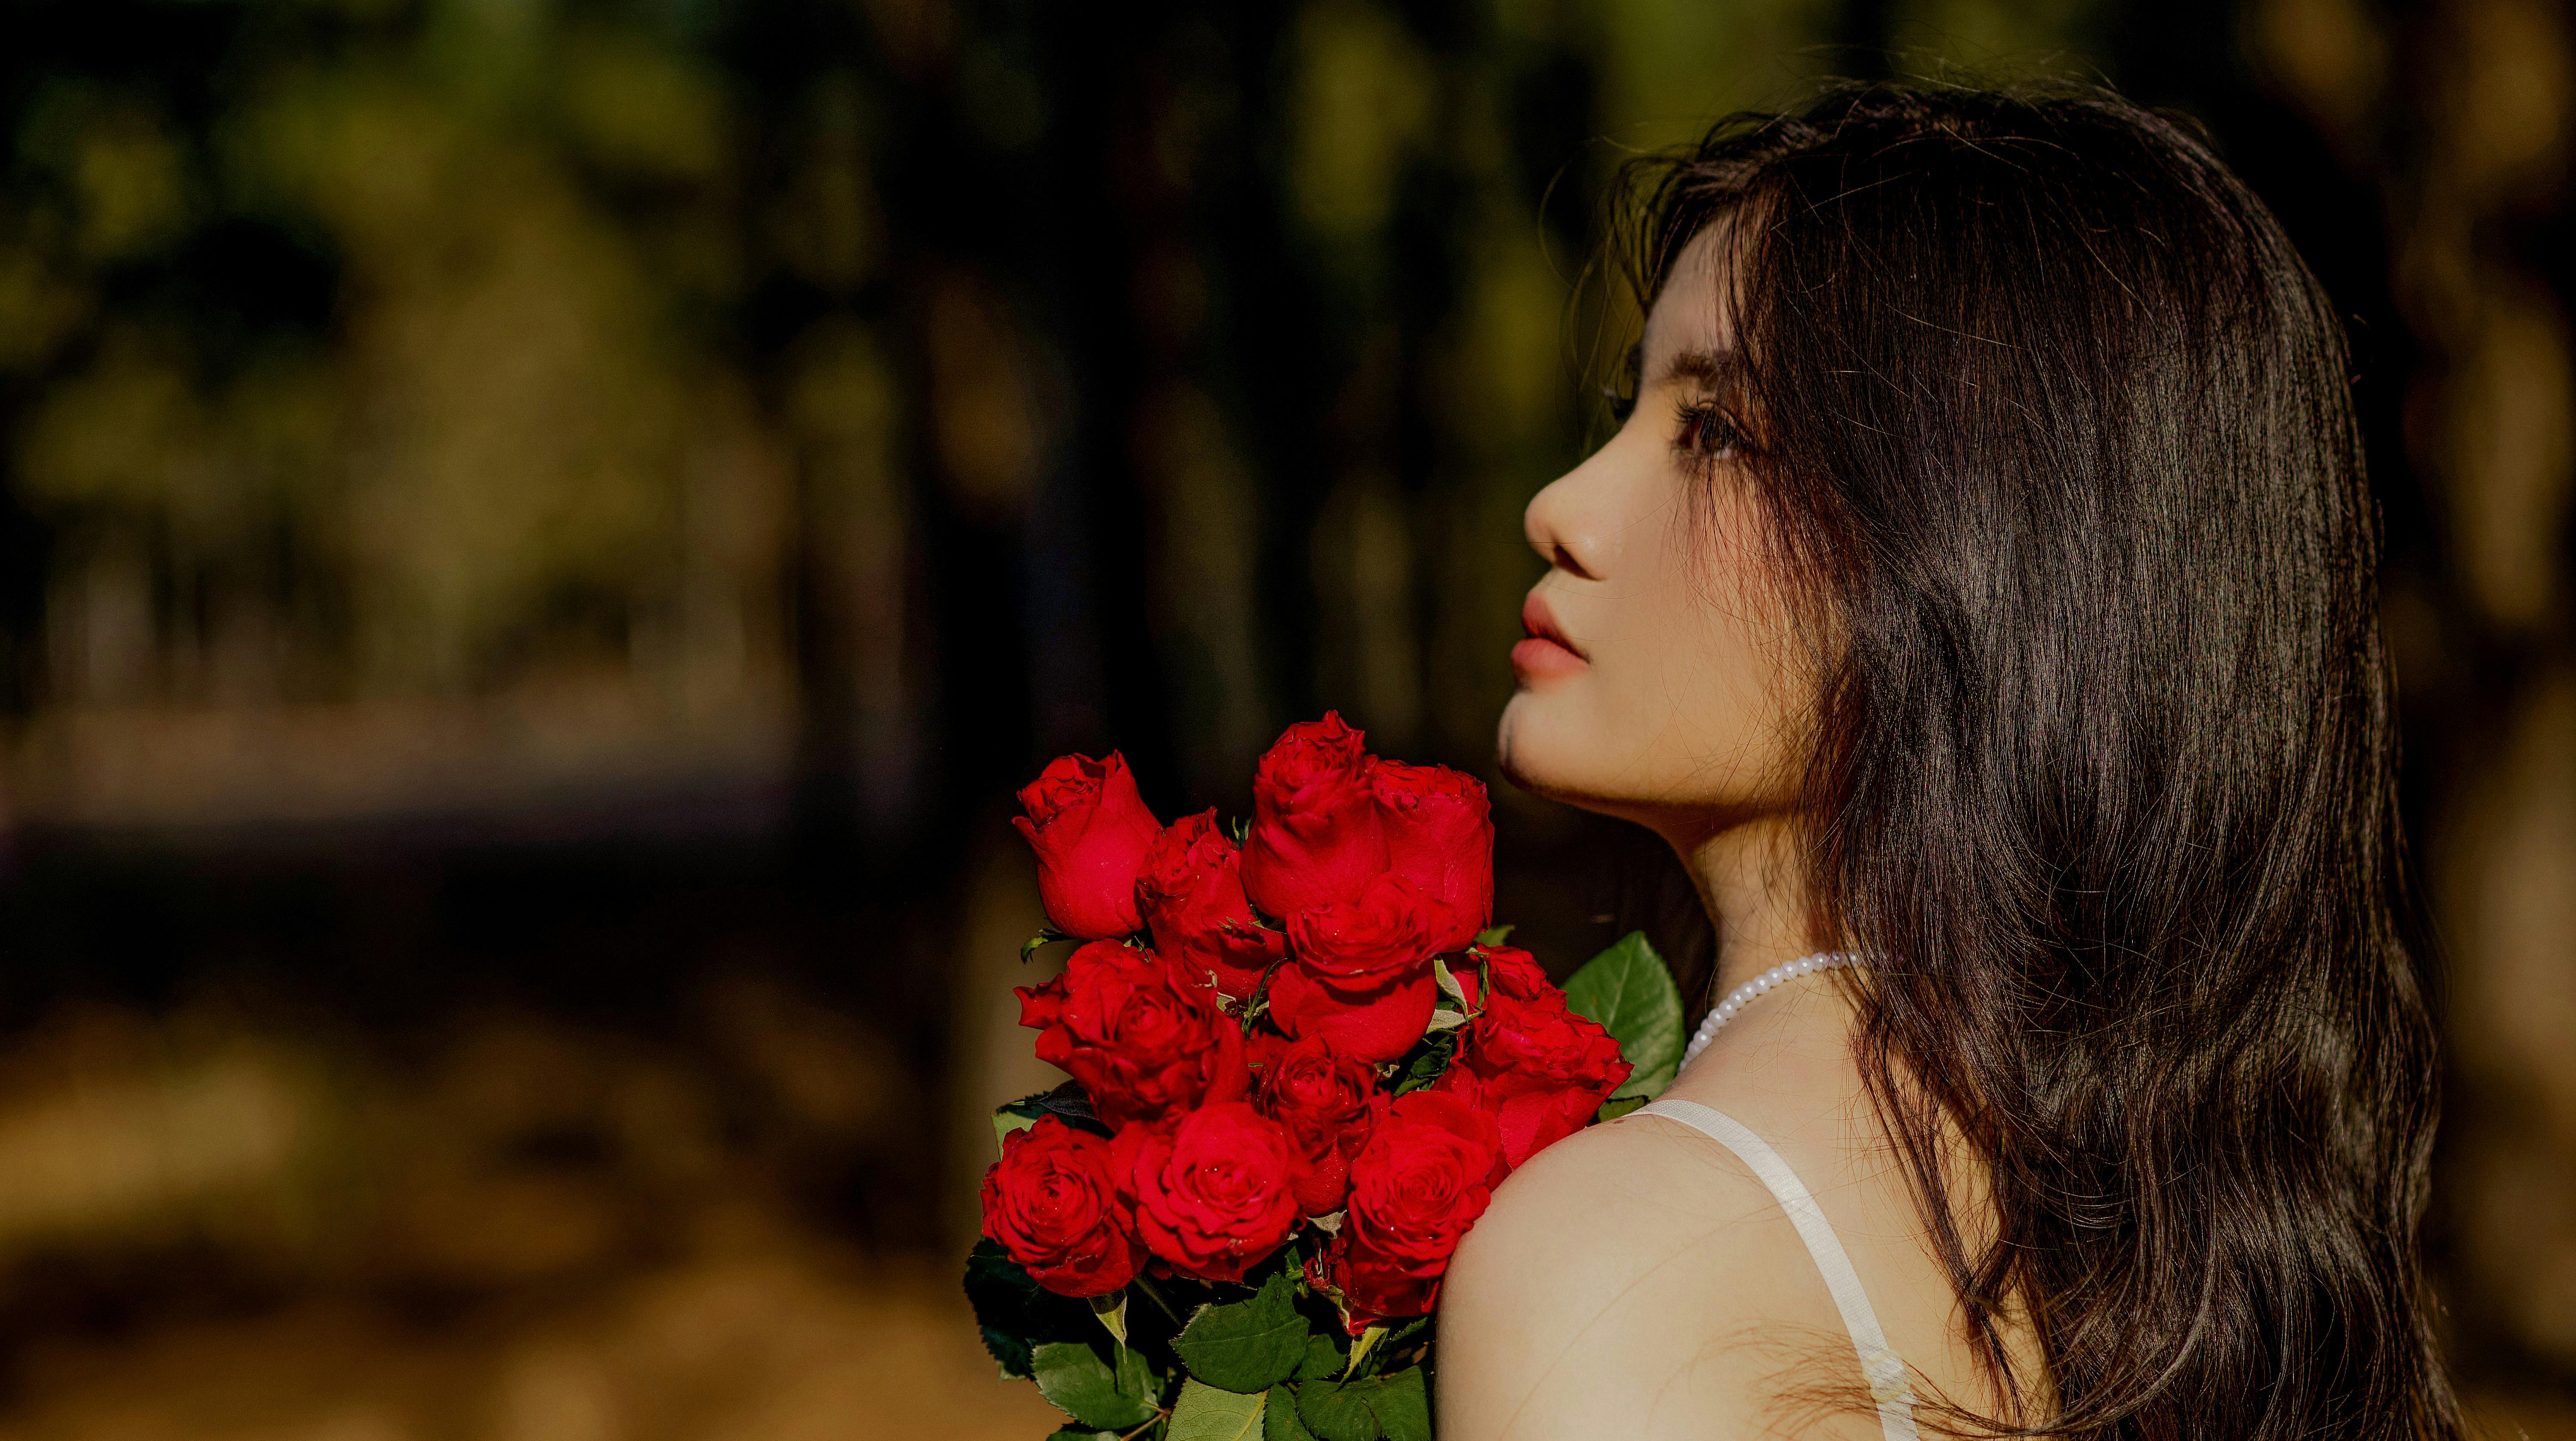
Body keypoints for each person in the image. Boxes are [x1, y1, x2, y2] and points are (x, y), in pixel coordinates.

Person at [1437, 83, 2463, 1441]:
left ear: (1978, 554)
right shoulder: (2186, 1268)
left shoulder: (1616, 1264)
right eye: (1630, 408)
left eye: (1716, 433)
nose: (1559, 506)